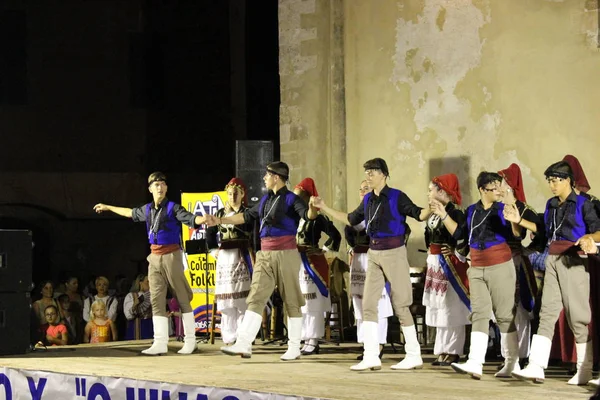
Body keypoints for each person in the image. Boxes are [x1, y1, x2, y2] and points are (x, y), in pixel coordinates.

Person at [311, 158, 432, 371]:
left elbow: (418, 214)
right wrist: (324, 207)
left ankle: (414, 355)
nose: (369, 175)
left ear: (384, 174)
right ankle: (371, 355)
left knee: (401, 304)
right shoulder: (368, 200)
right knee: (368, 304)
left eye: (373, 172)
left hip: (394, 252)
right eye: (367, 172)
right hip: (373, 253)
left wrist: (432, 207)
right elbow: (350, 218)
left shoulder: (396, 196)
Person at [205, 161, 318, 360]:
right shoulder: (265, 199)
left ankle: (294, 347)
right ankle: (243, 343)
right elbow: (245, 216)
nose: (264, 178)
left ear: (276, 177)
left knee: (291, 299)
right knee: (256, 296)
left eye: (267, 175)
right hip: (264, 254)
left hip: (286, 253)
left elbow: (307, 216)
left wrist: (313, 209)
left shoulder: (292, 199)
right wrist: (220, 220)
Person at [94, 171, 207, 355]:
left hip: (171, 255)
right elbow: (129, 212)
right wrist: (108, 207)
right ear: (150, 189)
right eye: (156, 185)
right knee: (155, 299)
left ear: (166, 187)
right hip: (154, 257)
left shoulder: (172, 207)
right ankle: (160, 342)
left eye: (163, 184)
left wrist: (201, 220)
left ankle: (191, 340)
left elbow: (189, 218)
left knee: (182, 298)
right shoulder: (147, 209)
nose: (160, 187)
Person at [513, 161, 600, 385]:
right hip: (552, 258)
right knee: (547, 312)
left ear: (567, 180)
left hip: (574, 259)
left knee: (578, 315)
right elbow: (543, 233)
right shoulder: (551, 204)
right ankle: (536, 365)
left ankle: (584, 369)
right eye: (549, 181)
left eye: (555, 180)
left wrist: (589, 239)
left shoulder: (584, 203)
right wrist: (519, 221)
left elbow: (597, 229)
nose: (552, 185)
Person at [450, 172, 519, 379]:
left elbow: (516, 234)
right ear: (482, 190)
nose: (497, 191)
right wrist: (445, 216)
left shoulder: (502, 209)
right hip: (476, 266)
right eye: (492, 188)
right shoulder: (471, 210)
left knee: (504, 315)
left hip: (499, 265)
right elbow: (461, 234)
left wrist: (513, 214)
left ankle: (512, 362)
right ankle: (475, 362)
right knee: (479, 313)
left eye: (499, 187)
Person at [497, 163, 542, 368]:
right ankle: (507, 355)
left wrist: (528, 249)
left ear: (511, 185)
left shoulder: (524, 209)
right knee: (502, 309)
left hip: (516, 261)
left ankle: (522, 354)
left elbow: (533, 234)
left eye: (502, 182)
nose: (498, 186)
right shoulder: (495, 207)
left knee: (520, 309)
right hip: (498, 260)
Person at [424, 174, 470, 366]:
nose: (428, 194)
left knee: (452, 306)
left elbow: (463, 237)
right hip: (435, 262)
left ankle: (454, 350)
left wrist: (454, 250)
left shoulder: (457, 213)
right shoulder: (433, 212)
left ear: (442, 191)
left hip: (450, 264)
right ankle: (441, 349)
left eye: (431, 190)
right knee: (439, 306)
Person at [293, 178, 341, 355]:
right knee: (301, 304)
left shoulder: (318, 218)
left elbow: (335, 235)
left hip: (312, 263)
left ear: (308, 198)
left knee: (312, 303)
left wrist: (324, 250)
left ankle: (313, 340)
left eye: (299, 197)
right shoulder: (293, 218)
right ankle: (305, 338)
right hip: (297, 262)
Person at [346, 180, 393, 361]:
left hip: (375, 259)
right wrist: (350, 249)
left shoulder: (381, 211)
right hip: (358, 261)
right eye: (361, 188)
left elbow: (402, 230)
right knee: (360, 303)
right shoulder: (356, 215)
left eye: (366, 188)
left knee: (377, 302)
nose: (362, 191)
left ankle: (379, 343)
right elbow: (349, 236)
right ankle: (367, 343)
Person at [206, 178, 254, 345]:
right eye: (229, 193)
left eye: (236, 193)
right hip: (225, 258)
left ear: (242, 194)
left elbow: (252, 232)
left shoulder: (247, 213)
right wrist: (213, 250)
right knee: (227, 301)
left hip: (241, 256)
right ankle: (228, 337)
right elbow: (210, 234)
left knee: (242, 300)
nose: (232, 196)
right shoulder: (219, 214)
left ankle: (243, 337)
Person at [123, 274, 153, 340]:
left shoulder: (153, 296)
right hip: (135, 328)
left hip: (150, 327)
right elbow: (128, 316)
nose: (150, 284)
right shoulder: (131, 296)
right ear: (140, 283)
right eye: (147, 282)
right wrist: (135, 305)